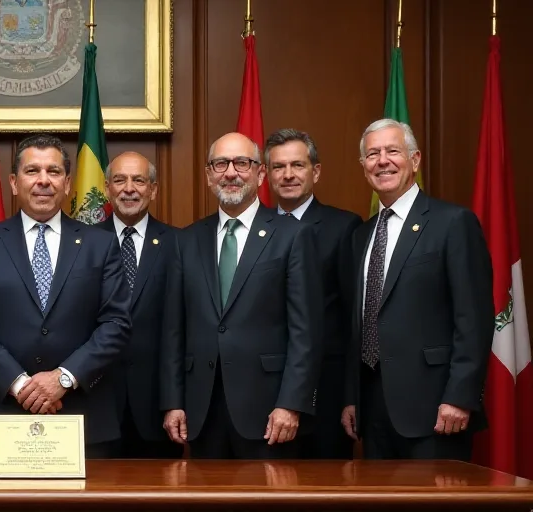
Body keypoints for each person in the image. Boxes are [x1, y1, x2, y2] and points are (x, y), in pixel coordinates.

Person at [0, 134, 131, 458]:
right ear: (13, 183)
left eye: (54, 171)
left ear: (67, 183)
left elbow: (116, 324)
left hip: (84, 415)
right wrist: (20, 384)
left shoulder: (100, 245)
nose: (43, 181)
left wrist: (63, 378)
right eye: (32, 171)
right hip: (3, 411)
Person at [160, 132, 323, 459]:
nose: (231, 172)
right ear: (209, 175)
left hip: (269, 412)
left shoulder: (293, 235)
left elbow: (306, 331)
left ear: (260, 174)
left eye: (242, 163)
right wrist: (173, 402)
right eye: (221, 164)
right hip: (201, 412)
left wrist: (291, 403)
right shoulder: (187, 240)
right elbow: (173, 330)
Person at [342, 118, 493, 460]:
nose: (382, 161)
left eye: (393, 151)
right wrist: (352, 397)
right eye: (373, 154)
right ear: (363, 166)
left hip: (436, 410)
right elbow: (359, 322)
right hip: (373, 410)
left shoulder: (452, 223)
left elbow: (474, 318)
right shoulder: (361, 235)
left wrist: (459, 396)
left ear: (415, 160)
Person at [264, 129, 362, 459]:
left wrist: (351, 395)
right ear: (267, 174)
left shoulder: (344, 227)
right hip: (265, 390)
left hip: (326, 391)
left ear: (315, 171)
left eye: (297, 165)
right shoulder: (256, 228)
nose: (288, 175)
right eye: (278, 167)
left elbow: (354, 319)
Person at [94, 151, 181, 459]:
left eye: (139, 181)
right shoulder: (84, 243)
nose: (129, 188)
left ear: (153, 189)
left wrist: (175, 401)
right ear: (107, 188)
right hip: (97, 399)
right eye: (120, 180)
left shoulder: (179, 244)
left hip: (158, 404)